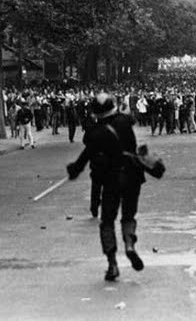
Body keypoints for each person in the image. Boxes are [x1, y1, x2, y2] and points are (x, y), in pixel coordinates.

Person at [67, 93, 146, 282]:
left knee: (107, 221)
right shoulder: (126, 123)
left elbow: (86, 156)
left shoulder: (96, 133)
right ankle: (129, 243)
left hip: (111, 180)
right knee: (128, 216)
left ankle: (112, 263)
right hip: (132, 177)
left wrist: (74, 169)